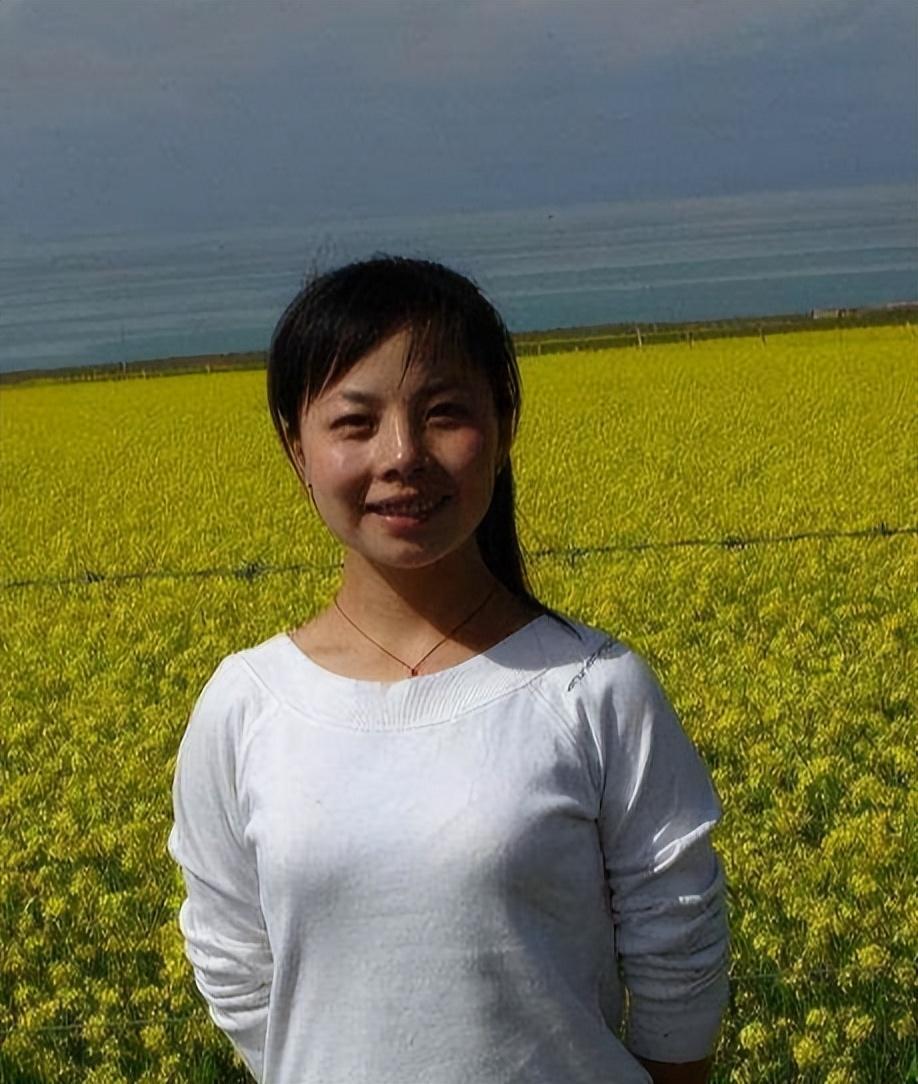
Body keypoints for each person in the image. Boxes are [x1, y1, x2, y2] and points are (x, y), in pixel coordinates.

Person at [167, 255, 730, 1084]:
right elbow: (233, 962)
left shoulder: (594, 689)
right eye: (355, 423)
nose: (403, 455)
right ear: (296, 448)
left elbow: (680, 952)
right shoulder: (247, 705)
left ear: (503, 428)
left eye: (444, 414)